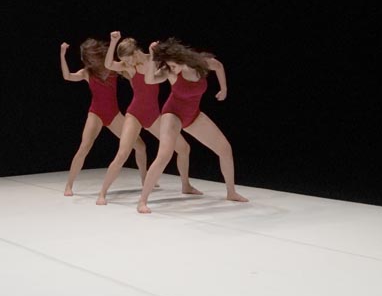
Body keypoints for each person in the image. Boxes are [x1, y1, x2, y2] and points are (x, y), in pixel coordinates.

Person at [135, 37, 247, 214]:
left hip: (193, 115)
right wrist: (152, 57)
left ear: (181, 58)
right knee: (164, 155)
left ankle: (231, 192)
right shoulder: (169, 72)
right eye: (168, 65)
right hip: (172, 114)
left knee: (225, 149)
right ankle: (142, 201)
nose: (171, 68)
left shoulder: (200, 63)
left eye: (173, 65)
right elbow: (149, 80)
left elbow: (218, 66)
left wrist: (224, 88)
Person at [94, 31, 202, 206]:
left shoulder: (154, 59)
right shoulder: (129, 67)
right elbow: (108, 64)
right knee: (122, 153)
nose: (127, 63)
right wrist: (113, 41)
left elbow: (172, 65)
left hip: (153, 115)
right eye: (125, 61)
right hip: (135, 114)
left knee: (183, 148)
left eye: (128, 59)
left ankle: (186, 185)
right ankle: (102, 193)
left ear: (135, 52)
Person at [59, 39, 149, 196]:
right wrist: (62, 54)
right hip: (96, 114)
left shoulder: (112, 68)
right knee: (84, 147)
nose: (91, 61)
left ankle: (145, 180)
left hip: (114, 114)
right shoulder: (87, 72)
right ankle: (69, 185)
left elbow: (133, 77)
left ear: (98, 54)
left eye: (92, 57)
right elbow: (67, 76)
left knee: (140, 146)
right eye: (88, 58)